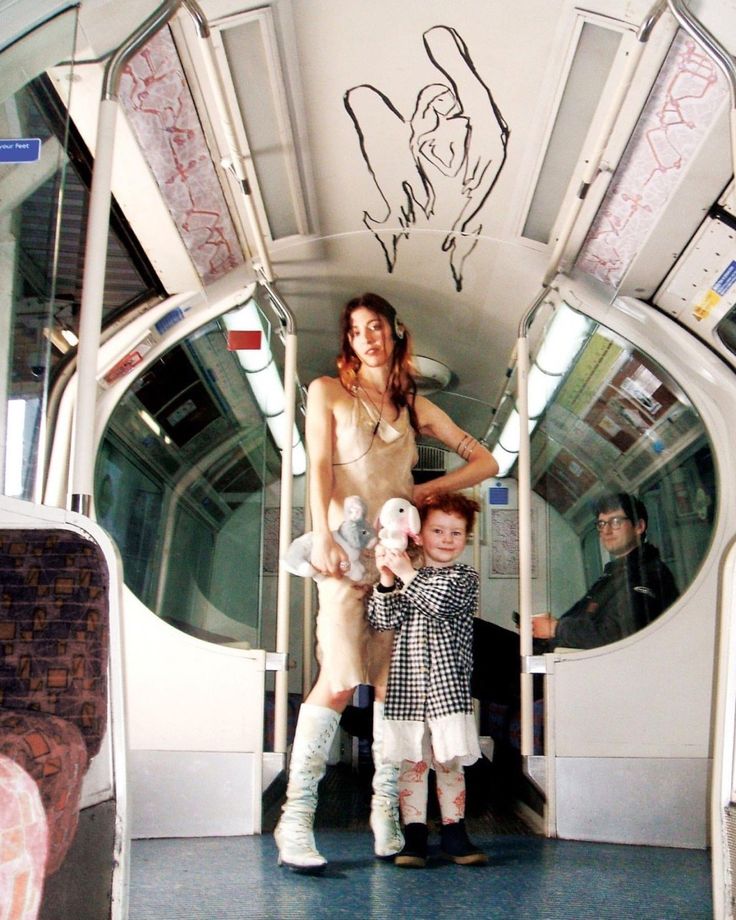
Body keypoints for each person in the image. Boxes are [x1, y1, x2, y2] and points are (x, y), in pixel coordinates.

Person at [274, 293, 497, 873]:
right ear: (348, 342)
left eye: (375, 327)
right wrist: (320, 532)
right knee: (342, 678)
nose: (366, 337)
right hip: (345, 560)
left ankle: (385, 812)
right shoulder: (326, 392)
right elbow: (319, 466)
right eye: (354, 331)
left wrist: (423, 494)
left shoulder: (414, 405)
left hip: (398, 565)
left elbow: (487, 463)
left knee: (395, 690)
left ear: (396, 333)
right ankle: (295, 818)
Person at [366, 492, 487, 868]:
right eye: (438, 530)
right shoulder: (404, 578)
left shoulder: (465, 578)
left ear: (466, 538)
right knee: (412, 762)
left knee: (449, 760)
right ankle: (414, 835)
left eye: (456, 532)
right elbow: (382, 619)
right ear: (419, 535)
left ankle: (455, 832)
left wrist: (404, 573)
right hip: (409, 686)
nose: (447, 539)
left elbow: (438, 600)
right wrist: (387, 579)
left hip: (448, 687)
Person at [531, 492, 679, 650]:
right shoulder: (613, 575)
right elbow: (584, 620)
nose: (606, 531)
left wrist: (555, 628)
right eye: (601, 524)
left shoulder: (647, 574)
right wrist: (544, 632)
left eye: (615, 522)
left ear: (639, 526)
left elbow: (615, 634)